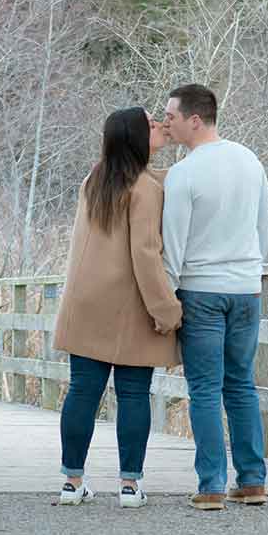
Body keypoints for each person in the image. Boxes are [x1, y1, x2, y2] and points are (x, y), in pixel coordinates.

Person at [50, 108, 181, 508]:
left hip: (86, 302)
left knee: (83, 392)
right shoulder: (144, 188)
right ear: (137, 138)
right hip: (129, 306)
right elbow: (146, 255)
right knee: (134, 393)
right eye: (152, 124)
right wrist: (167, 310)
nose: (159, 126)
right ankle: (129, 485)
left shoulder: (96, 178)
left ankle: (72, 483)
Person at [160, 83, 268, 510]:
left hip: (201, 289)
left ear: (194, 118)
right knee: (241, 384)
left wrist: (169, 295)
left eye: (171, 115)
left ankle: (211, 485)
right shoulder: (250, 160)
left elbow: (173, 244)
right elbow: (265, 227)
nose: (166, 122)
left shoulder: (184, 173)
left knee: (205, 388)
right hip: (246, 288)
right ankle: (252, 481)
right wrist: (249, 268)